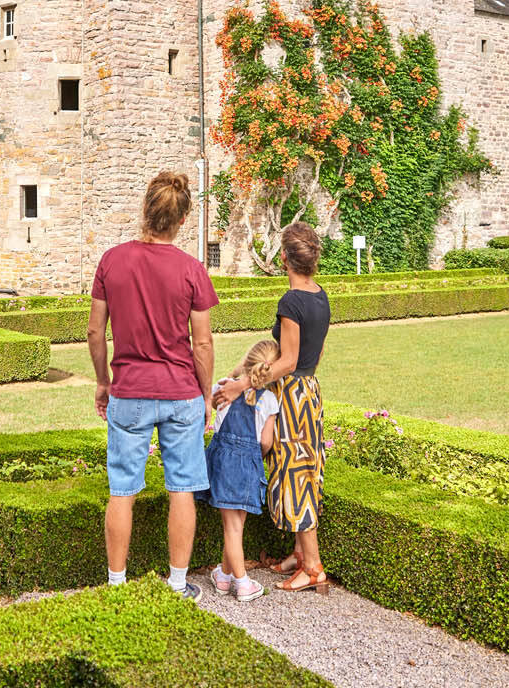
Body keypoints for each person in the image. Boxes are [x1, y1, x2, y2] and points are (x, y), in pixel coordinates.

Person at [88, 171, 217, 600]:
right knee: (182, 488)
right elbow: (202, 343)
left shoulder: (112, 261)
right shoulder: (191, 269)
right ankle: (178, 584)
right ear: (181, 220)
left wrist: (103, 382)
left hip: (129, 391)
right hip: (180, 393)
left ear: (145, 210)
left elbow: (95, 332)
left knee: (122, 489)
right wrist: (205, 395)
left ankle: (117, 585)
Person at [213, 221, 331, 592]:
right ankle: (299, 553)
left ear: (284, 258)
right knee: (308, 469)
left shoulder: (291, 301)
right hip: (311, 390)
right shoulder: (320, 295)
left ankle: (313, 568)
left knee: (295, 475)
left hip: (293, 393)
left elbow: (288, 360)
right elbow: (315, 354)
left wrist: (241, 384)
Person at [205, 338, 280, 603]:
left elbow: (211, 403)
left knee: (232, 527)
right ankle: (237, 580)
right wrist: (254, 458)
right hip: (249, 463)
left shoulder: (224, 387)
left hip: (224, 463)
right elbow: (266, 442)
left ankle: (230, 578)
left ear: (247, 362)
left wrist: (235, 373)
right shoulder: (269, 399)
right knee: (237, 526)